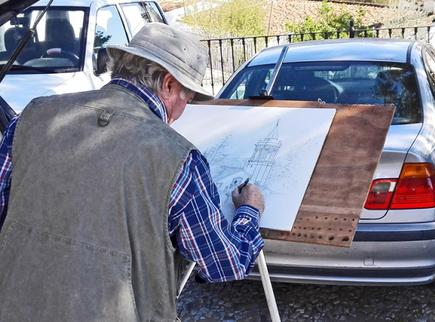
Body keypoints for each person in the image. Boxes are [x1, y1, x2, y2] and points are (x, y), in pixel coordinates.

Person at [0, 23, 265, 322]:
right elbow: (224, 263)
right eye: (187, 98)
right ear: (168, 84)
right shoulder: (177, 158)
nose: (183, 111)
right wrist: (249, 212)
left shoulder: (33, 116)